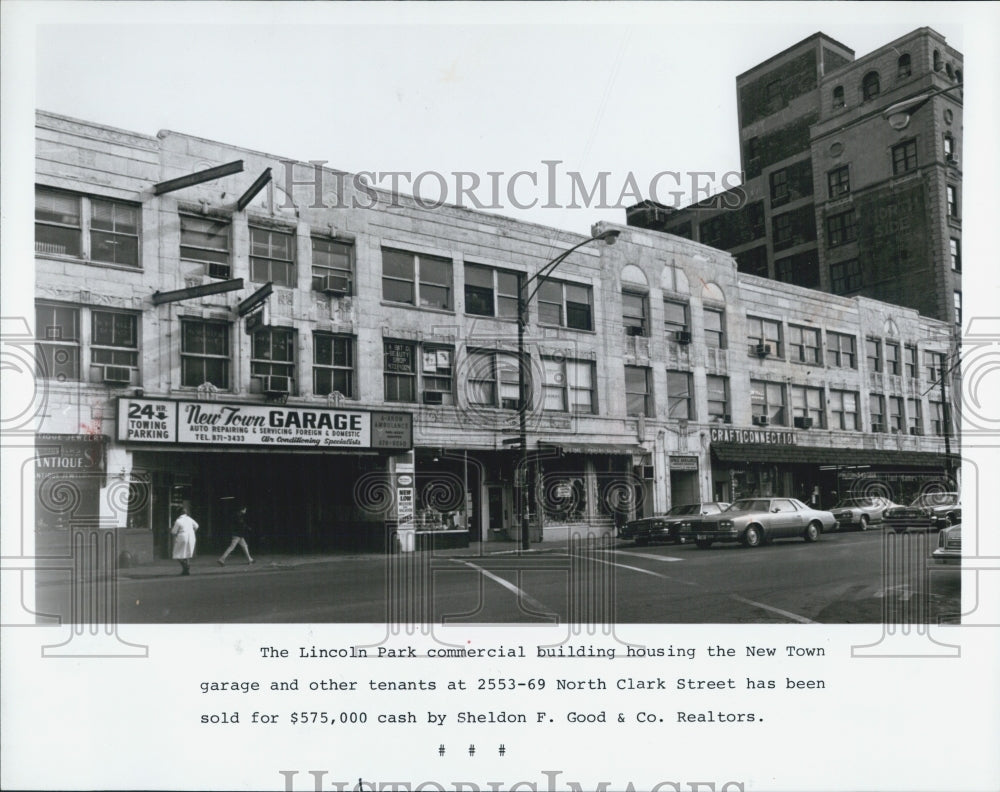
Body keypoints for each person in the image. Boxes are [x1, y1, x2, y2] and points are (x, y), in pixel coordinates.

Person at [171, 504, 199, 576]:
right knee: (187, 554)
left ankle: (185, 566)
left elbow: (173, 532)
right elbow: (197, 526)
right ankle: (186, 571)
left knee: (177, 554)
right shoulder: (190, 519)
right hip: (192, 537)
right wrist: (192, 531)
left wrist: (175, 534)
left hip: (182, 537)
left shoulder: (178, 521)